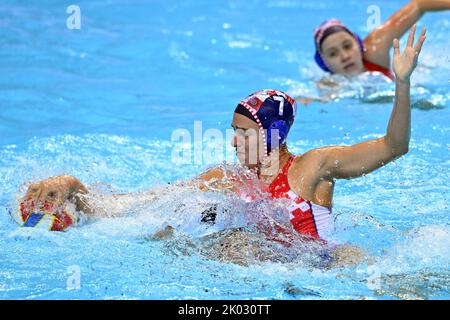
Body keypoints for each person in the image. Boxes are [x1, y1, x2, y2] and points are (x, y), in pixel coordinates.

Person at [15, 26, 426, 266]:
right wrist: (78, 192)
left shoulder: (311, 168)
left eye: (244, 131)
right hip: (272, 276)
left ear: (274, 135)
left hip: (328, 266)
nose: (233, 140)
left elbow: (394, 145)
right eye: (233, 129)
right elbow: (140, 205)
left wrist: (402, 84)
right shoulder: (225, 179)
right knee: (179, 233)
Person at [295, 0, 449, 104]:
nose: (344, 56)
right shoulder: (329, 85)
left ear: (359, 45)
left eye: (348, 46)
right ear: (323, 63)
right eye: (333, 54)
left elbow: (419, 5)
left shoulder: (375, 50)